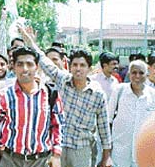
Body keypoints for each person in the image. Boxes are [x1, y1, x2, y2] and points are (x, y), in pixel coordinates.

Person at [19, 26, 112, 167]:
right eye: (75, 64)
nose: (78, 68)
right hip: (58, 147)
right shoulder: (62, 79)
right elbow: (44, 61)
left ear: (89, 68)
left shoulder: (97, 94)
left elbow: (104, 128)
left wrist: (106, 157)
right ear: (69, 66)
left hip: (82, 149)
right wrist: (30, 42)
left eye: (82, 65)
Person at [108, 60, 155, 167]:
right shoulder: (119, 91)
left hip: (143, 153)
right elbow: (108, 121)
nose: (137, 76)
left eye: (141, 73)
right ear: (129, 74)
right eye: (134, 72)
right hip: (120, 154)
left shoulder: (152, 95)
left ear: (147, 74)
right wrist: (107, 151)